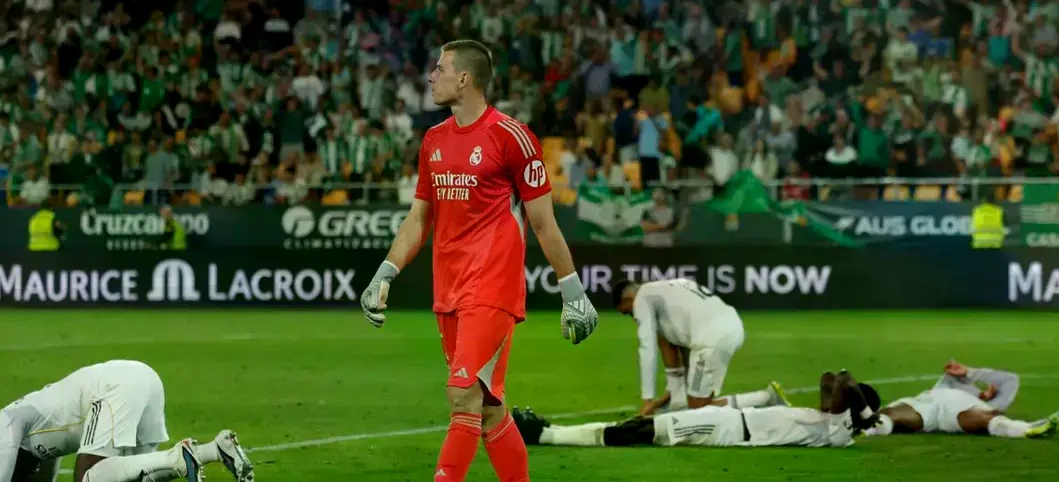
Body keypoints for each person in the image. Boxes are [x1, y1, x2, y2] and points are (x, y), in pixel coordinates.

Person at [359, 39, 599, 482]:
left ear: (464, 79)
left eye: (439, 68)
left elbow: (544, 223)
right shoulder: (433, 140)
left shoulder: (512, 137)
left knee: (462, 395)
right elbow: (419, 218)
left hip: (492, 288)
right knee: (488, 409)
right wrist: (385, 272)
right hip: (448, 290)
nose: (431, 76)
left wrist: (574, 292)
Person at [0, 360, 253, 482]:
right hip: (143, 378)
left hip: (115, 386)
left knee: (88, 479)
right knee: (138, 477)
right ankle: (213, 450)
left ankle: (179, 455)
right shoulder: (39, 449)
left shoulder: (8, 421)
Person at [512, 370, 881, 449]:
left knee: (643, 431)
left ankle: (545, 435)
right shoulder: (833, 420)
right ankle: (547, 431)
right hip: (730, 422)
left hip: (730, 431)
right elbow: (831, 377)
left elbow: (845, 379)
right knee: (644, 426)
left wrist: (865, 415)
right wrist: (863, 413)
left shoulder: (838, 431)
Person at [612, 278, 781, 416]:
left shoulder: (642, 298)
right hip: (729, 325)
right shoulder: (664, 291)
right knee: (663, 337)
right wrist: (673, 395)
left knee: (697, 410)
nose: (633, 318)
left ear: (628, 299)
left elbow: (647, 349)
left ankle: (765, 398)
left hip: (712, 338)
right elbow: (672, 343)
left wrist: (647, 400)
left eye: (628, 312)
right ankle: (680, 401)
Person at [863, 360, 1059, 439]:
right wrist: (967, 376)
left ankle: (1030, 429)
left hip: (961, 409)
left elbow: (1010, 380)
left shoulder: (988, 406)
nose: (990, 389)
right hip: (926, 401)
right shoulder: (955, 383)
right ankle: (859, 430)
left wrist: (973, 373)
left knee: (989, 419)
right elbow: (950, 375)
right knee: (890, 415)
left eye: (993, 388)